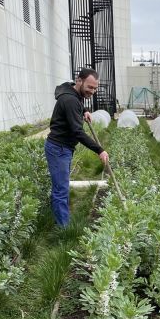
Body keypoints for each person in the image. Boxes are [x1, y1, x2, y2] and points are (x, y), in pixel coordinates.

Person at [44, 68, 110, 227]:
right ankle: (64, 230)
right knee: (60, 190)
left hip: (63, 148)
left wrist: (85, 110)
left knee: (63, 186)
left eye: (95, 88)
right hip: (59, 148)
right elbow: (78, 132)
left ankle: (62, 220)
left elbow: (74, 95)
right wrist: (99, 150)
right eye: (90, 87)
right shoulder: (70, 100)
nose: (92, 91)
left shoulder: (72, 91)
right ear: (79, 80)